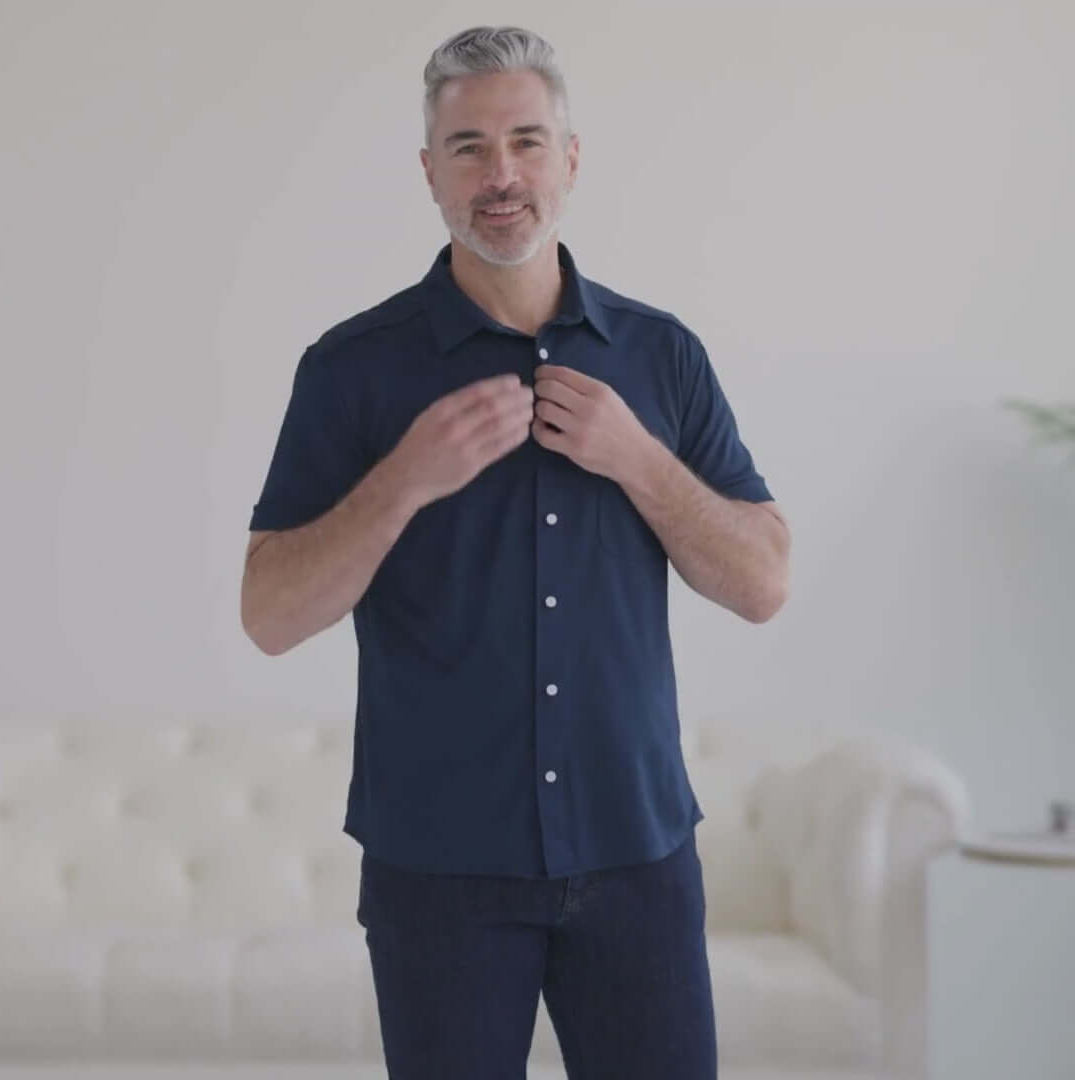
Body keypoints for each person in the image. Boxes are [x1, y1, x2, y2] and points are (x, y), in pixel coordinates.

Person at [241, 24, 790, 1080]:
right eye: (470, 147)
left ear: (571, 160)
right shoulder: (353, 371)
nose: (502, 174)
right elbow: (269, 613)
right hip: (438, 872)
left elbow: (764, 579)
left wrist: (639, 459)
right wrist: (405, 475)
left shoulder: (661, 356)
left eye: (528, 141)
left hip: (638, 857)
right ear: (430, 173)